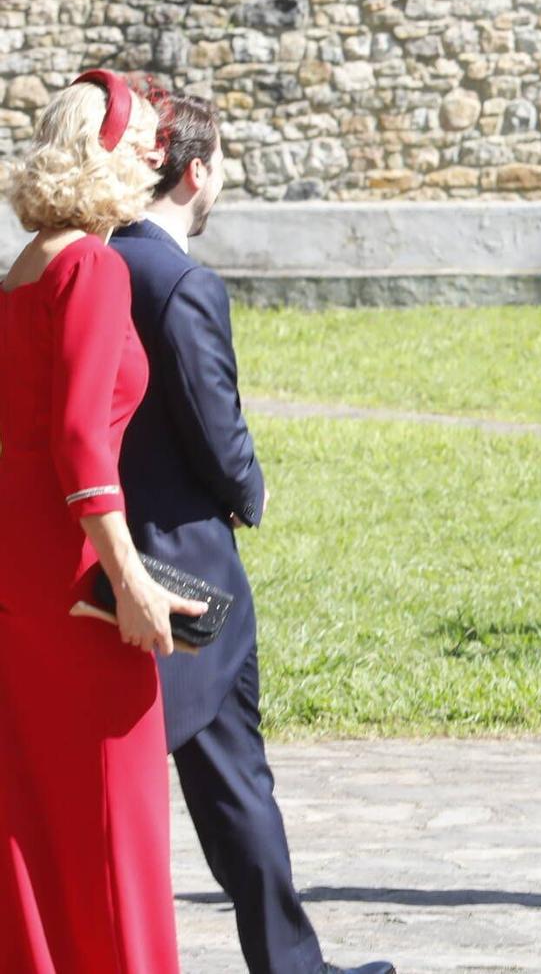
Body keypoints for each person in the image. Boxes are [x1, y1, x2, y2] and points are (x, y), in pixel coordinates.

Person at [111, 88, 396, 974]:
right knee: (236, 781)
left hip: (110, 551)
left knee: (209, 782)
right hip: (188, 564)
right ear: (196, 171)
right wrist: (251, 490)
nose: (223, 177)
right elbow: (215, 420)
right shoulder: (183, 281)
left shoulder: (103, 261)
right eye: (222, 163)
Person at [0, 71, 204, 972]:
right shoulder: (91, 263)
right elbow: (81, 443)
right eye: (144, 140)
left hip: (18, 572)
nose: (157, 155)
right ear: (110, 154)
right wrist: (130, 579)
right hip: (76, 584)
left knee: (35, 820)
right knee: (115, 821)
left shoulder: (24, 266)